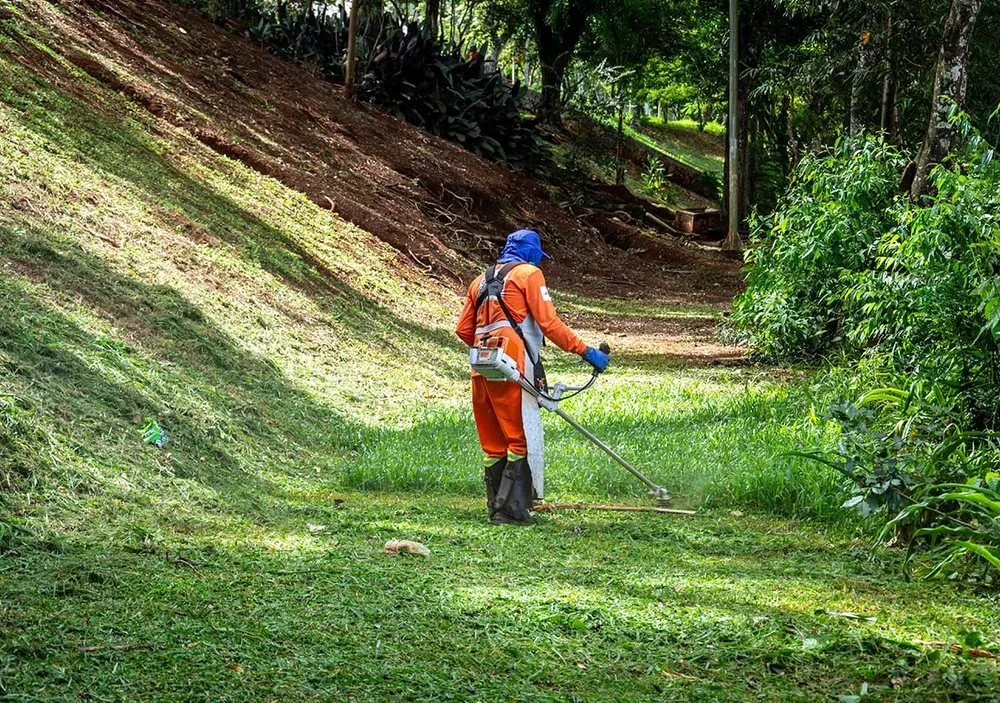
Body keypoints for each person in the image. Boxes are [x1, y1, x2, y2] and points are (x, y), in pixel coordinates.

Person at [455, 229, 610, 524]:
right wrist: (586, 352)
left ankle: (497, 502)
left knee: (492, 442)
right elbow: (549, 323)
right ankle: (511, 510)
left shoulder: (479, 280)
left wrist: (488, 348)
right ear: (531, 254)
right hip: (512, 365)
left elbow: (464, 330)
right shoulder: (529, 274)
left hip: (480, 366)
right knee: (518, 437)